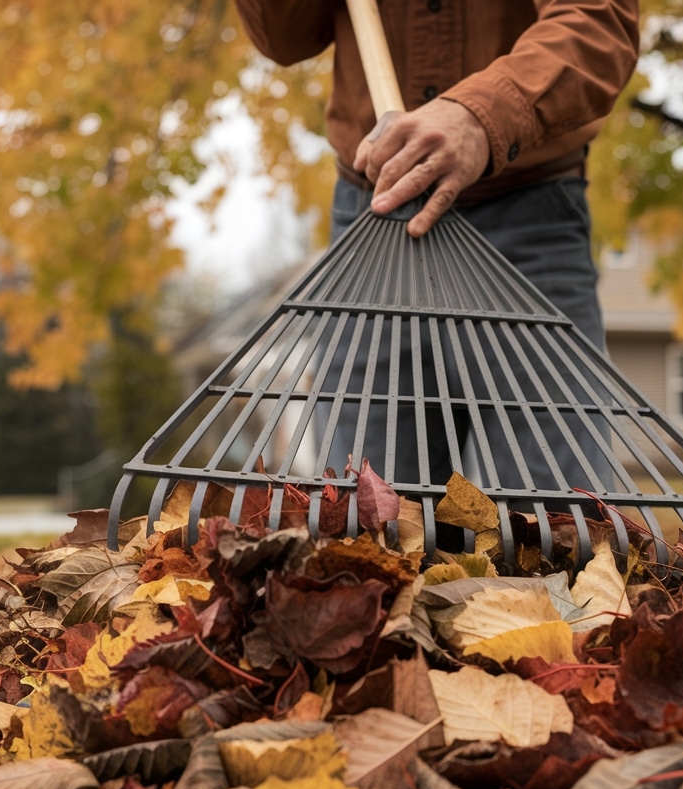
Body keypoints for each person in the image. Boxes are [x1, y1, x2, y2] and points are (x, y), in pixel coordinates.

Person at [237, 1, 640, 496]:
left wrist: (479, 116)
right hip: (377, 215)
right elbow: (284, 36)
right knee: (366, 532)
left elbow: (597, 24)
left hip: (526, 219)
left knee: (555, 528)